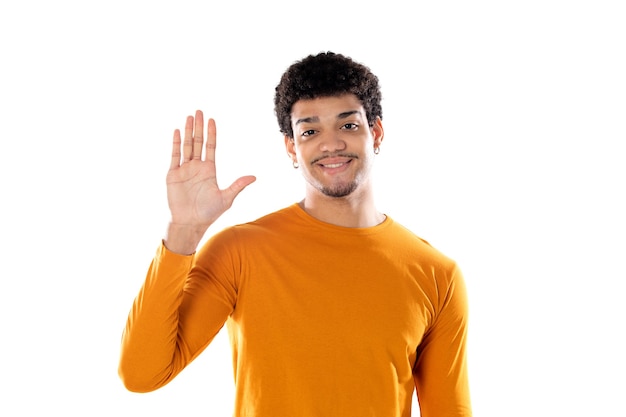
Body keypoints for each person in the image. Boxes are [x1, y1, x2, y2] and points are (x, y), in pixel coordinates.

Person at [118, 51, 472, 417]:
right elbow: (142, 374)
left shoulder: (436, 274)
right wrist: (184, 232)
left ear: (376, 132)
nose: (331, 144)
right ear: (292, 146)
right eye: (310, 131)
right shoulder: (240, 252)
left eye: (348, 126)